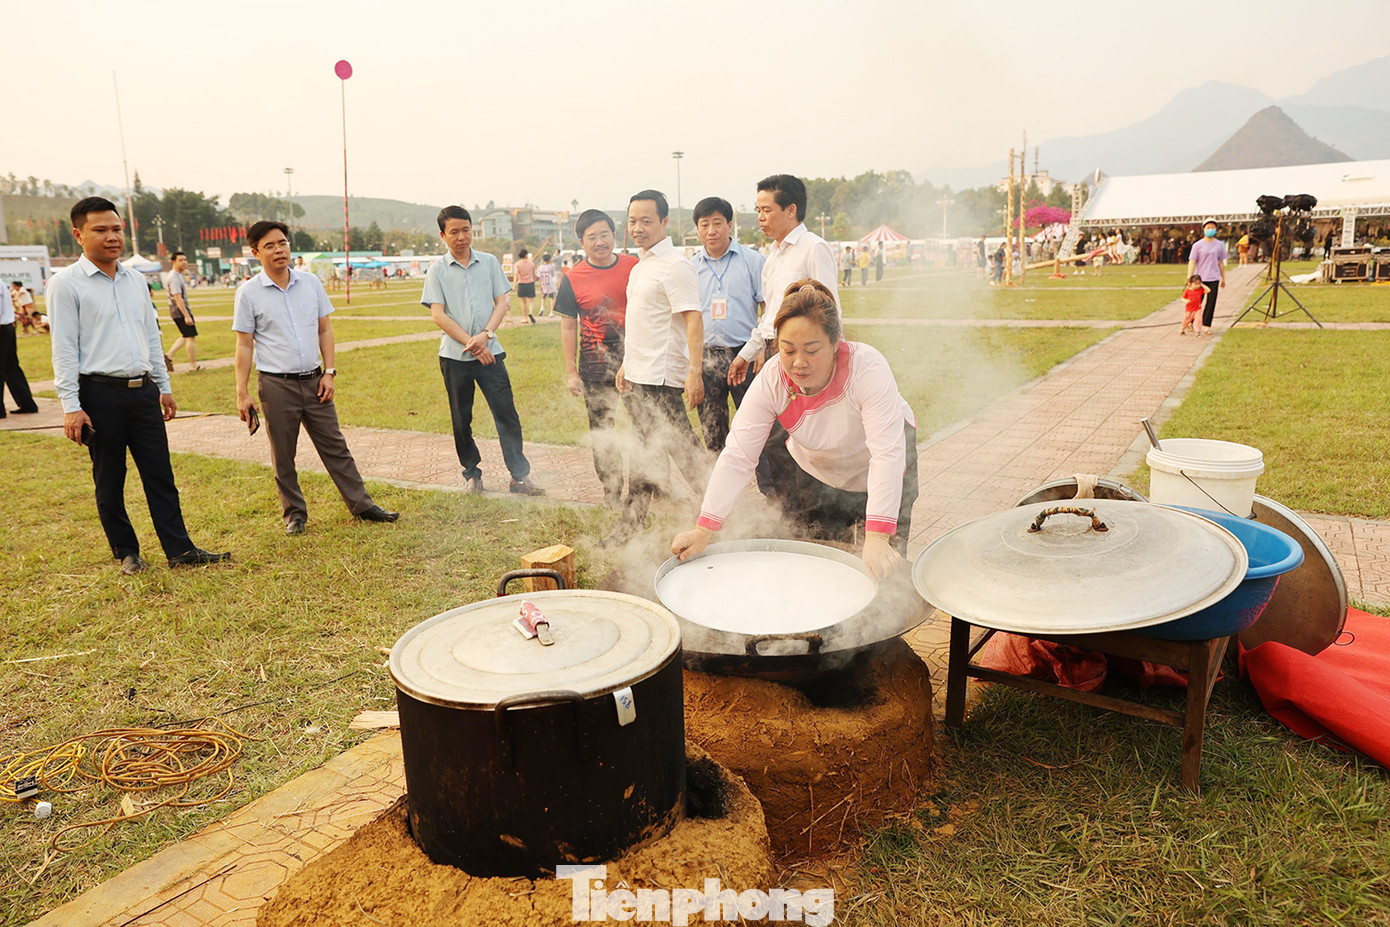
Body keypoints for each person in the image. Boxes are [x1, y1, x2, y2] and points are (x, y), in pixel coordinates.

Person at [670, 278, 918, 582]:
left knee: (883, 569)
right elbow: (738, 456)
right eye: (787, 350)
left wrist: (878, 537)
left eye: (812, 350)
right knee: (824, 566)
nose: (798, 363)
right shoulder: (772, 380)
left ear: (836, 341)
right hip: (820, 471)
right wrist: (705, 528)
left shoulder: (866, 368)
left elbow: (886, 454)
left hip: (885, 470)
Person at [47, 197, 230, 574]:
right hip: (99, 395)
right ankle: (127, 552)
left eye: (116, 229)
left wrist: (163, 386)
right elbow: (63, 349)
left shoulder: (136, 280)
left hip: (143, 390)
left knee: (160, 474)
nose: (112, 237)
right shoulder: (66, 285)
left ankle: (180, 549)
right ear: (78, 234)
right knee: (110, 479)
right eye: (100, 230)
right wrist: (71, 405)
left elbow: (151, 336)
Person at [233, 221, 399, 535]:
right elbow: (244, 344)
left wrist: (330, 372)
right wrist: (241, 392)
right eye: (269, 246)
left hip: (315, 380)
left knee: (336, 446)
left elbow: (325, 329)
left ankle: (362, 505)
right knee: (284, 453)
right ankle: (294, 515)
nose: (279, 250)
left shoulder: (310, 283)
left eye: (282, 243)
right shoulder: (249, 294)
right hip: (276, 384)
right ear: (255, 253)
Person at [422, 206, 544, 496]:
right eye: (454, 232)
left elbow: (502, 302)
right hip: (455, 357)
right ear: (443, 235)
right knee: (461, 419)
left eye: (466, 230)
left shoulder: (489, 263)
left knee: (507, 415)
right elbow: (438, 315)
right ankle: (472, 474)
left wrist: (486, 336)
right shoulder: (437, 270)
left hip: (491, 351)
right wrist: (472, 343)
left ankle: (519, 477)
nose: (462, 237)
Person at [609, 189, 706, 547]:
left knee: (684, 452)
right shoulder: (641, 266)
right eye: (632, 221)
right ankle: (629, 527)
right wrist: (625, 364)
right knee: (651, 451)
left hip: (662, 379)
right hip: (638, 375)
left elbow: (693, 320)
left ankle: (722, 516)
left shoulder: (676, 265)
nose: (638, 227)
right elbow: (644, 322)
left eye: (647, 220)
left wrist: (694, 372)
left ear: (665, 222)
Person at [555, 209, 637, 507]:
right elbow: (568, 326)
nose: (600, 242)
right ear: (581, 242)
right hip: (594, 368)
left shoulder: (634, 267)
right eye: (592, 237)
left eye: (605, 235)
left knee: (646, 427)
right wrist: (570, 371)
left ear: (614, 236)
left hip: (638, 366)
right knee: (603, 433)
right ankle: (611, 490)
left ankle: (649, 487)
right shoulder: (572, 278)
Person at [689, 196, 764, 454]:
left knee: (755, 429)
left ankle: (769, 491)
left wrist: (762, 348)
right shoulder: (690, 269)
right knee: (713, 430)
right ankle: (719, 489)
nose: (712, 231)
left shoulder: (752, 261)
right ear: (697, 229)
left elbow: (767, 306)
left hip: (745, 355)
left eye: (718, 223)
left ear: (730, 224)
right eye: (704, 224)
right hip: (706, 357)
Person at [0, 276, 39, 417]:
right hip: (7, 327)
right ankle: (27, 404)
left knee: (9, 368)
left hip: (2, 327)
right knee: (11, 368)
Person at [1186, 219, 1227, 332]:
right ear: (1203, 229)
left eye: (1212, 227)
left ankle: (1207, 325)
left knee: (1211, 303)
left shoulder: (1219, 245)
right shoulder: (1197, 245)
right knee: (1196, 302)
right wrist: (1189, 277)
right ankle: (1191, 321)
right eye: (1208, 227)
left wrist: (1223, 278)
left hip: (1214, 277)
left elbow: (1221, 262)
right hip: (1200, 278)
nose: (1210, 229)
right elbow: (1192, 261)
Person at [164, 250, 199, 370]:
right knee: (190, 336)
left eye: (185, 260)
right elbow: (177, 297)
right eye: (180, 260)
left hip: (178, 311)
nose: (184, 262)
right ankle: (193, 365)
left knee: (186, 335)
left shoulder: (178, 275)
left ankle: (169, 355)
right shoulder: (173, 277)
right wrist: (186, 315)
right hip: (179, 311)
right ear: (173, 261)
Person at [512, 248, 537, 324]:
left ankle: (525, 318)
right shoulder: (531, 263)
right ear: (526, 255)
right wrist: (534, 280)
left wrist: (514, 285)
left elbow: (516, 274)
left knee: (523, 302)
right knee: (531, 301)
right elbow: (534, 274)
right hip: (530, 282)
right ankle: (531, 313)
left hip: (521, 283)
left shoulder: (517, 264)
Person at [536, 252, 557, 317]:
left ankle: (542, 308)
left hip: (543, 283)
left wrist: (540, 286)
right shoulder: (550, 266)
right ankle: (551, 312)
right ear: (549, 259)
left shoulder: (540, 268)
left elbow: (539, 277)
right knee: (551, 298)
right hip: (550, 283)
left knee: (543, 297)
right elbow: (553, 275)